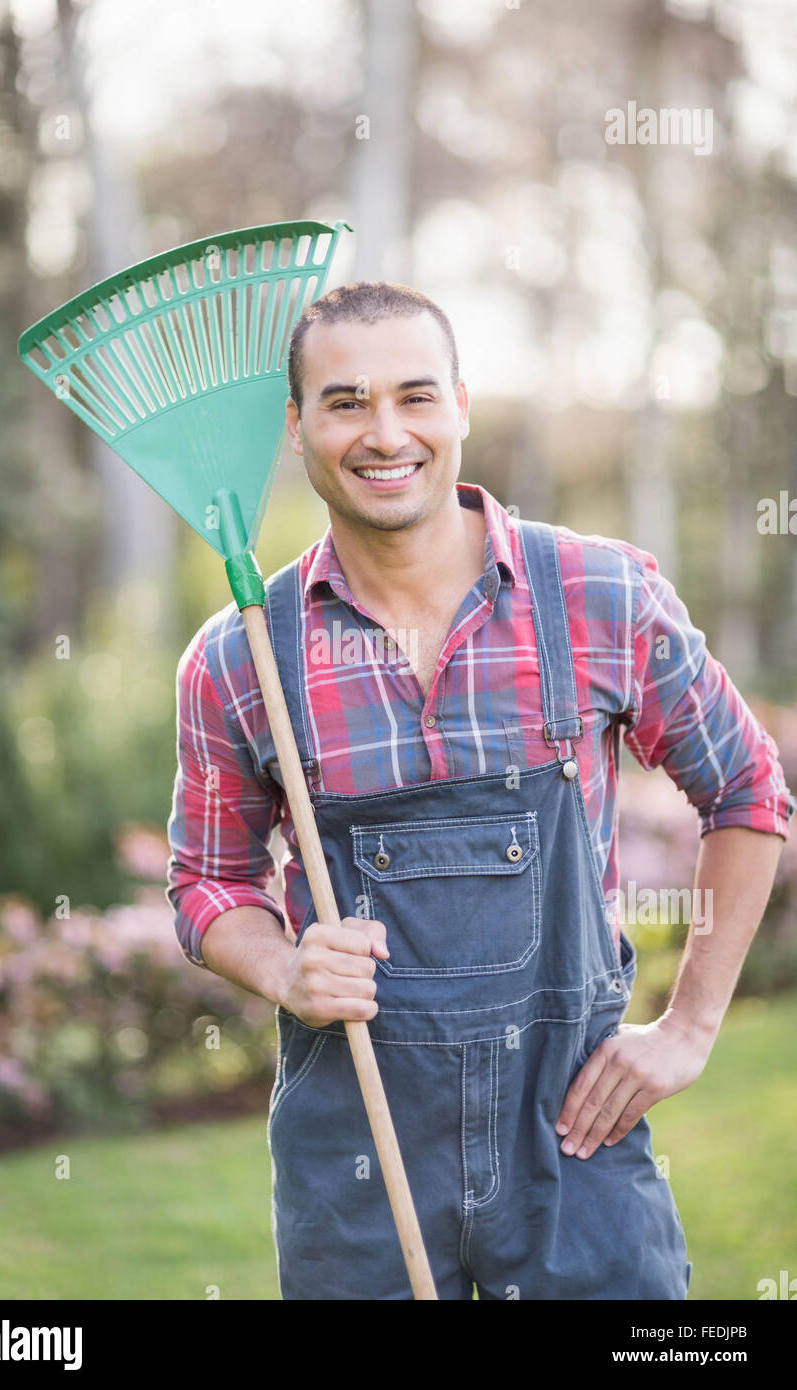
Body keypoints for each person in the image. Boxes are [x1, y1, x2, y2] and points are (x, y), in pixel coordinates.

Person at [166, 281, 795, 1301]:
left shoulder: (595, 594)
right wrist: (283, 968)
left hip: (571, 1152)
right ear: (295, 427)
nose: (384, 434)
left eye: (414, 396)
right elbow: (205, 879)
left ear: (459, 404)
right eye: (344, 401)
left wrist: (686, 1028)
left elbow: (747, 789)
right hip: (357, 1165)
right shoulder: (241, 658)